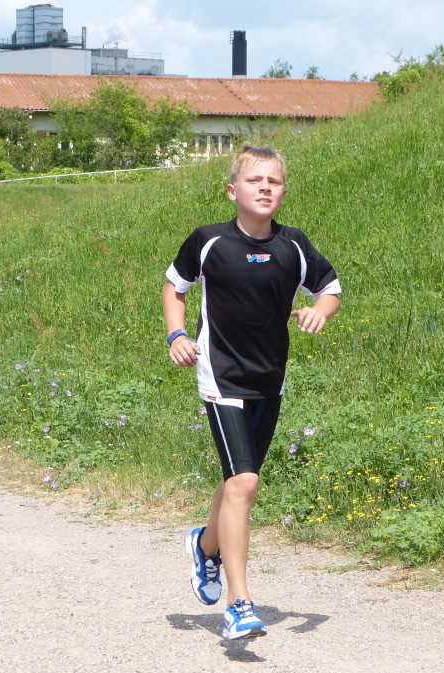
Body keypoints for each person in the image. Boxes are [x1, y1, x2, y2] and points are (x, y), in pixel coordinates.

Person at [162, 144, 342, 640]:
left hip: (269, 379)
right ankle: (239, 604)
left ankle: (204, 547)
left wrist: (319, 312)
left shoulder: (294, 245)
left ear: (283, 192)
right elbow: (175, 286)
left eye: (274, 181)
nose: (265, 188)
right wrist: (177, 335)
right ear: (232, 190)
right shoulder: (209, 241)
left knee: (236, 481)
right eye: (254, 180)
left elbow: (330, 289)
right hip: (221, 378)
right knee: (245, 482)